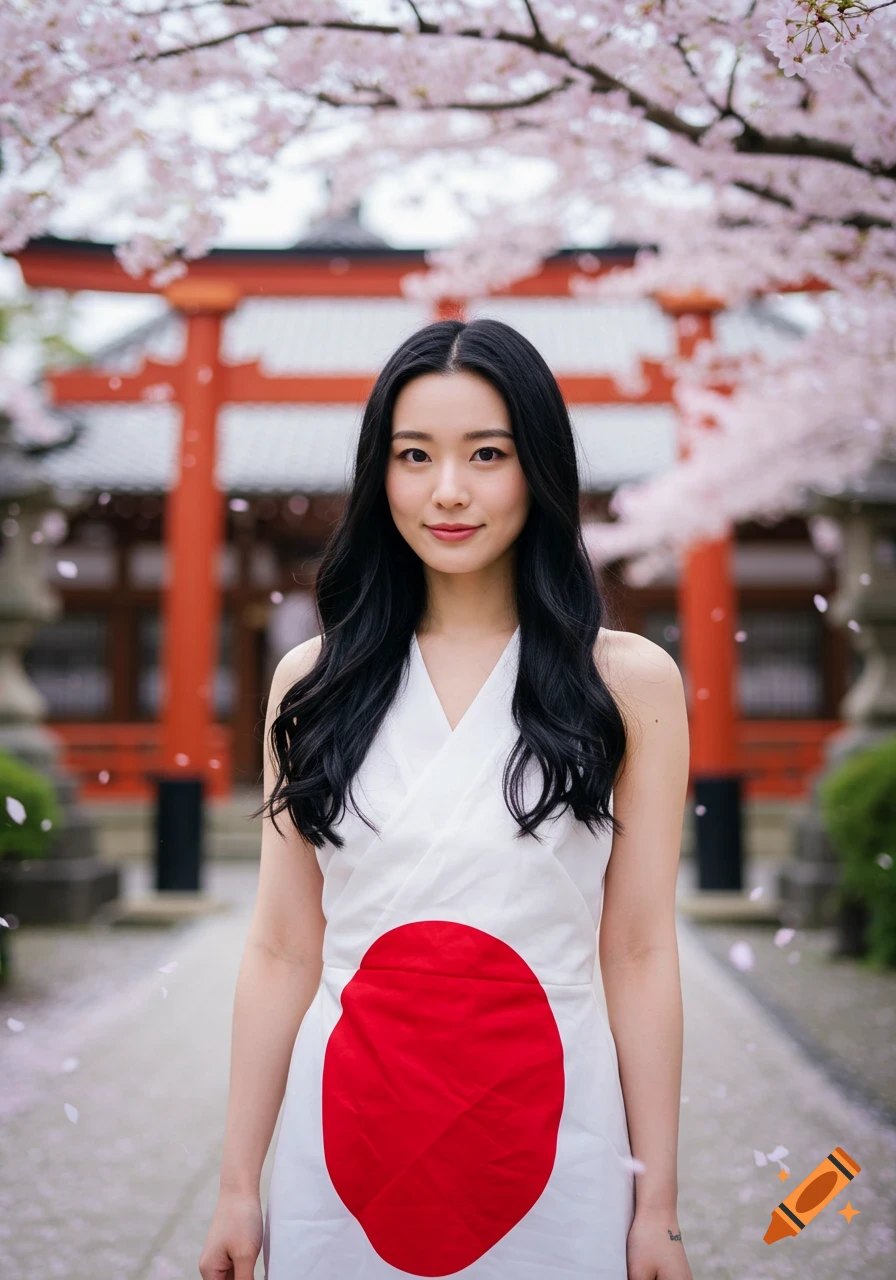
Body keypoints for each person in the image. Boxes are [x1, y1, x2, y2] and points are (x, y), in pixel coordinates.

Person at [199, 318, 692, 1280]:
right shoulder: (314, 681)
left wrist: (659, 1207)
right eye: (414, 456)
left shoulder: (627, 681)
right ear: (378, 475)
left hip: (555, 1132)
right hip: (345, 1134)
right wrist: (235, 1186)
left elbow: (636, 950)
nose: (448, 491)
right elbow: (282, 945)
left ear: (538, 468)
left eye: (488, 455)